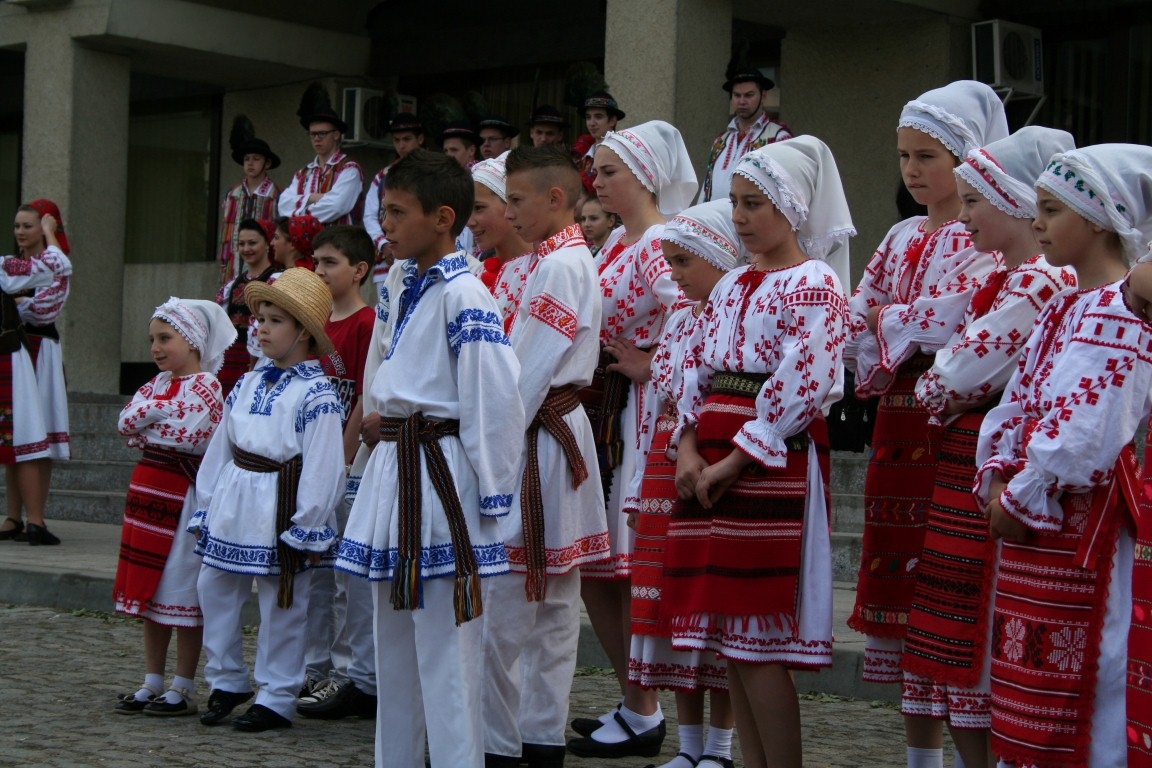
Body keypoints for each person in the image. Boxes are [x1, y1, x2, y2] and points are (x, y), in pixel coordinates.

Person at [658, 137, 851, 768]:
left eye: (753, 204)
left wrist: (735, 459)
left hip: (771, 460)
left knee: (756, 636)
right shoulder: (733, 283)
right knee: (728, 639)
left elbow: (804, 382)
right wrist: (687, 446)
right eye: (734, 202)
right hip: (713, 449)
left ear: (791, 208)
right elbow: (695, 368)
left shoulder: (814, 283)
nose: (738, 216)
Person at [334, 149, 525, 768]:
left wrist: (494, 498)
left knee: (447, 655)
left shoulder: (466, 295)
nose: (384, 224)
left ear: (443, 218)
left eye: (397, 212)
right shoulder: (400, 283)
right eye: (383, 211)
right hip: (397, 469)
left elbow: (494, 400)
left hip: (441, 478)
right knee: (393, 653)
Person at [843, 81, 1007, 768]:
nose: (911, 170)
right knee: (903, 588)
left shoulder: (986, 237)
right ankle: (920, 757)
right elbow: (857, 314)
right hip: (898, 421)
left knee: (946, 583)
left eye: (927, 156)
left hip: (954, 421)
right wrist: (897, 323)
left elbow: (959, 318)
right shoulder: (901, 234)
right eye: (904, 156)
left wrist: (889, 321)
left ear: (968, 160)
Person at [902, 127, 1076, 768]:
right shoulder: (1007, 279)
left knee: (979, 627)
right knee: (961, 632)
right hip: (972, 457)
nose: (965, 214)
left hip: (998, 460)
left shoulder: (1039, 282)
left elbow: (952, 375)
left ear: (1013, 203)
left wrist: (947, 385)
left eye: (975, 201)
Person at [974, 144, 1152, 768]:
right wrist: (998, 473)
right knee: (1026, 679)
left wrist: (1025, 489)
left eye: (1052, 210)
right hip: (1037, 514)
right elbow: (1017, 401)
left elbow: (1089, 427)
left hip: (1080, 521)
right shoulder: (1063, 307)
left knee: (1089, 674)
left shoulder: (1122, 312)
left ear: (1099, 220)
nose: (1038, 223)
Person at [482, 144, 610, 768]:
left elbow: (526, 376)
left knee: (510, 601)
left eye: (515, 200)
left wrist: (488, 449)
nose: (508, 213)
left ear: (555, 198)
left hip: (536, 435)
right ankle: (538, 736)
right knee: (553, 605)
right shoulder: (557, 259)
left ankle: (500, 743)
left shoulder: (559, 265)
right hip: (557, 432)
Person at [571, 120, 697, 754]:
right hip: (608, 411)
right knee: (600, 568)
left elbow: (693, 309)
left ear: (645, 176)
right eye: (596, 171)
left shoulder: (656, 243)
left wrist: (653, 362)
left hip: (640, 413)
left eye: (609, 171)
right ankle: (633, 699)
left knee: (623, 565)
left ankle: (644, 707)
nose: (597, 181)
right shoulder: (617, 241)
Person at [617, 199, 748, 768]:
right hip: (663, 463)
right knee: (673, 612)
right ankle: (689, 746)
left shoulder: (735, 316)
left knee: (709, 610)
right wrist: (637, 488)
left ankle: (719, 748)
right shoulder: (680, 319)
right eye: (669, 261)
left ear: (720, 257)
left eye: (683, 261)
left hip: (710, 456)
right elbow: (657, 402)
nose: (673, 273)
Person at [191, 267, 344, 732]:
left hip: (281, 501)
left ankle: (276, 695)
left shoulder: (317, 393)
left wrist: (308, 521)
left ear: (304, 332)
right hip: (236, 496)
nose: (261, 328)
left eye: (275, 321)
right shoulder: (247, 383)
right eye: (260, 319)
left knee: (283, 600)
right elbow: (222, 445)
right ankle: (226, 679)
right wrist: (207, 501)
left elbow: (324, 465)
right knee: (214, 586)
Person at [112, 297, 236, 717]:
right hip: (147, 493)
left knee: (181, 588)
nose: (156, 348)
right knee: (151, 591)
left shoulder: (207, 386)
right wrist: (157, 411)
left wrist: (150, 415)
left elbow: (187, 434)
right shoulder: (157, 384)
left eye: (165, 338)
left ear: (193, 341)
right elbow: (125, 423)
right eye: (152, 339)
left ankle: (182, 685)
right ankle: (152, 679)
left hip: (181, 498)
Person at [293, 225, 379, 720]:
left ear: (359, 270)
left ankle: (347, 672)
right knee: (316, 574)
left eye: (330, 262)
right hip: (309, 466)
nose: (319, 271)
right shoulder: (313, 323)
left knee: (347, 577)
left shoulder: (365, 323)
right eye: (316, 262)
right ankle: (314, 665)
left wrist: (342, 460)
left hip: (345, 467)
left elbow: (364, 393)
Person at [0, 215, 71, 545]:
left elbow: (43, 311)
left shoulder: (14, 268)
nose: (20, 232)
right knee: (20, 435)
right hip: (14, 352)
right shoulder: (12, 266)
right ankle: (21, 518)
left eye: (28, 225)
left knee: (30, 435)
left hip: (37, 352)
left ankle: (33, 518)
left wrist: (18, 303)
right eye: (17, 226)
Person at [697, 69, 792, 204]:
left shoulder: (778, 138)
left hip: (754, 216)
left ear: (763, 96)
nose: (742, 101)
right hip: (714, 216)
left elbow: (787, 190)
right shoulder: (721, 140)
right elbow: (706, 188)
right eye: (737, 95)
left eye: (749, 95)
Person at [279, 82, 364, 226]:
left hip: (338, 239)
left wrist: (299, 208)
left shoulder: (349, 169)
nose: (316, 138)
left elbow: (336, 206)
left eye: (322, 133)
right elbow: (283, 204)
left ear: (336, 135)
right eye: (312, 134)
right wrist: (313, 197)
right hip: (306, 240)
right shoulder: (302, 173)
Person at [469, 152, 534, 326]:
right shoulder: (476, 273)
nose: (470, 222)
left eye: (479, 208)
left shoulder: (540, 272)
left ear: (511, 205)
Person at [214, 218, 276, 395]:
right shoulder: (232, 284)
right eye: (242, 244)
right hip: (231, 355)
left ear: (267, 244)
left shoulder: (276, 279)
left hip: (261, 354)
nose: (246, 248)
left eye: (252, 243)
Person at [219, 115, 281, 286]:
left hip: (265, 265)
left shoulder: (276, 195)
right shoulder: (232, 194)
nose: (250, 163)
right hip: (234, 264)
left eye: (256, 159)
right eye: (247, 159)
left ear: (267, 163)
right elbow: (226, 231)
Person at [364, 113, 426, 283]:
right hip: (388, 261)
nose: (401, 145)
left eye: (406, 139)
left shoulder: (433, 174)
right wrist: (383, 245)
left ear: (420, 139)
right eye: (396, 140)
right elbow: (369, 215)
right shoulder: (383, 175)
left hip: (424, 257)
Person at [574, 91, 624, 194]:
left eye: (598, 117)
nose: (591, 123)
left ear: (612, 120)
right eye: (588, 117)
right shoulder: (582, 155)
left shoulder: (621, 154)